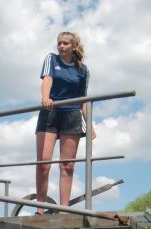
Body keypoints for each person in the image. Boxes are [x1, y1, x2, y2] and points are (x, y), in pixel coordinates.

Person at [35, 31, 96, 215]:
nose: (61, 46)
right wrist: (45, 98)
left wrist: (90, 123)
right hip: (50, 113)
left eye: (65, 43)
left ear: (73, 46)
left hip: (71, 115)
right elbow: (47, 79)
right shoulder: (51, 59)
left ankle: (63, 209)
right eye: (59, 43)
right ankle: (40, 206)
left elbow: (83, 98)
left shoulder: (82, 70)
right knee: (44, 163)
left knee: (67, 165)